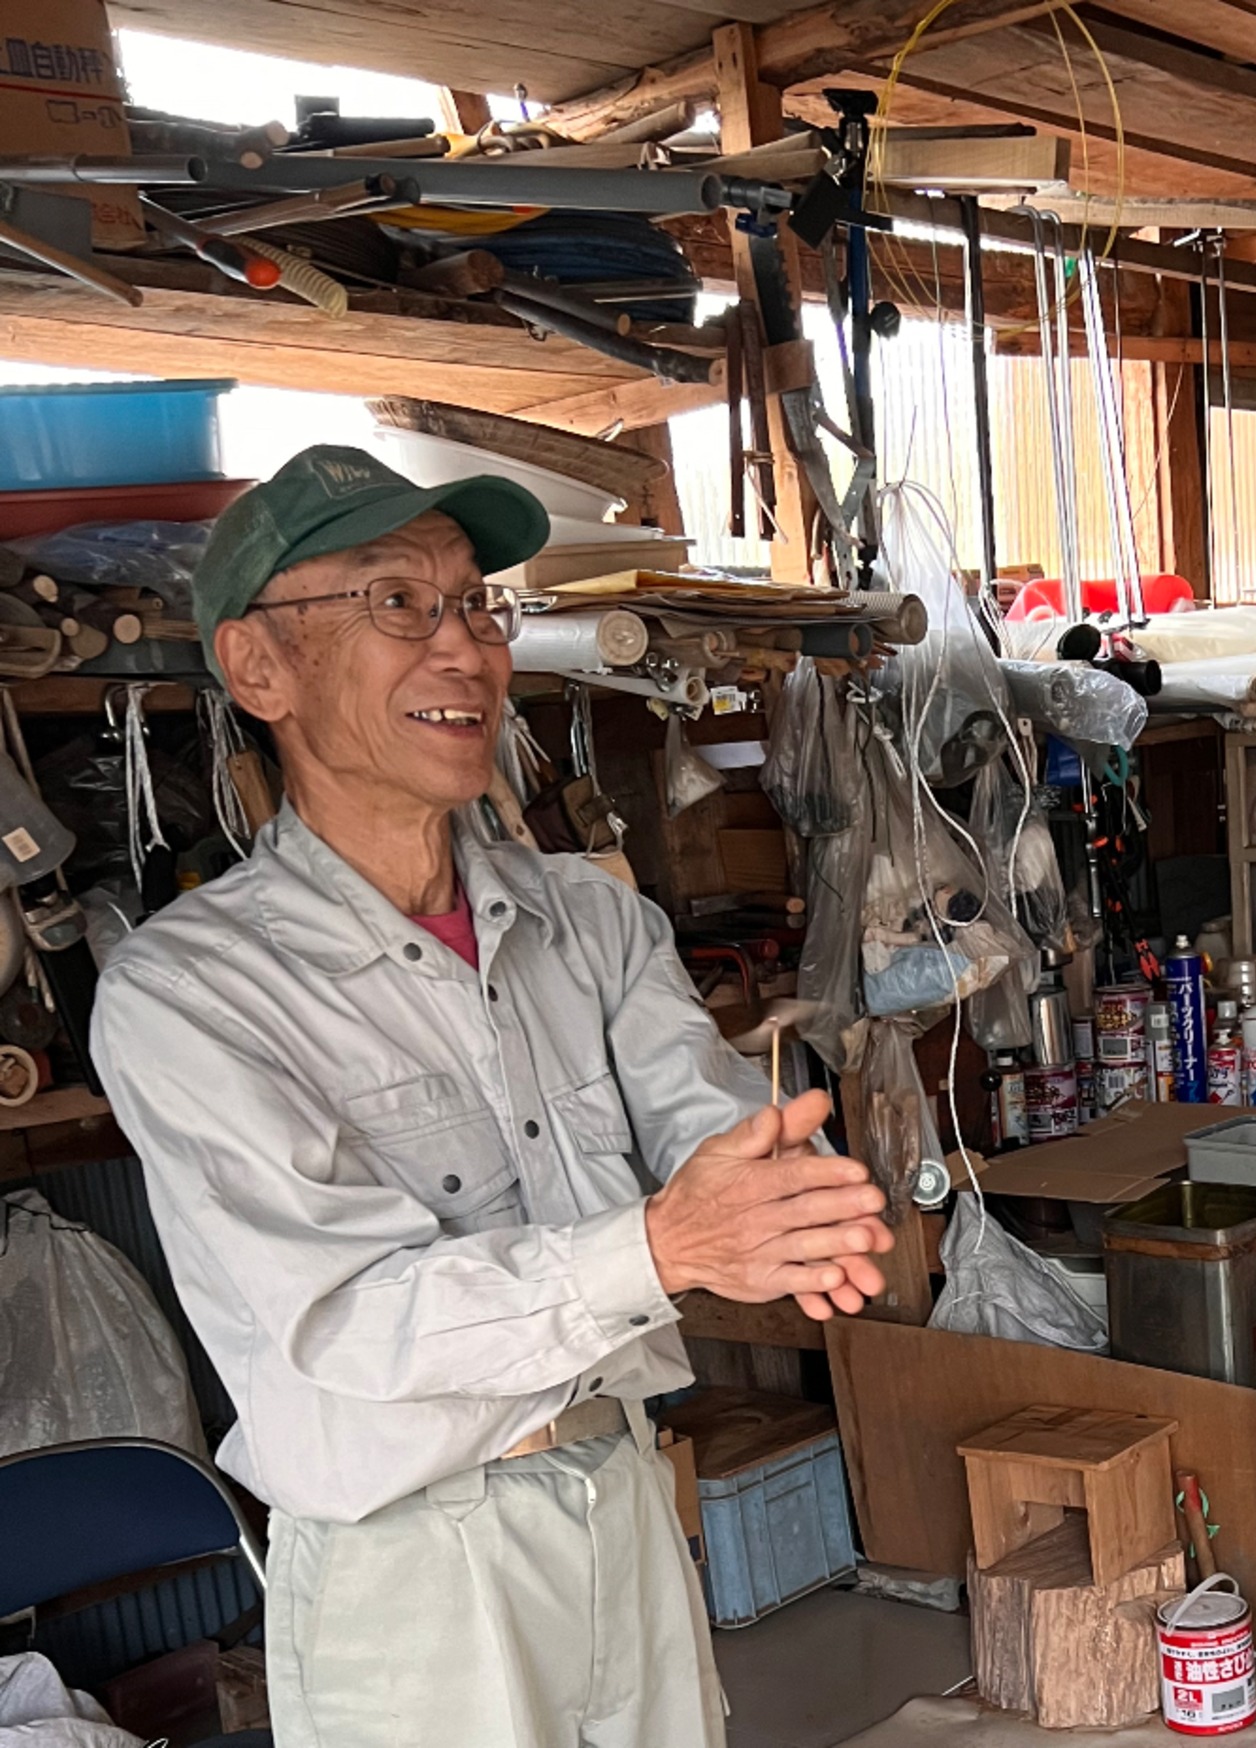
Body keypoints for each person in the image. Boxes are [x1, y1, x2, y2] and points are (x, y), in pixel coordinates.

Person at [90, 445, 893, 1748]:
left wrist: (771, 1196)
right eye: (396, 603)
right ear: (258, 668)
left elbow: (695, 1117)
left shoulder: (588, 915)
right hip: (411, 1565)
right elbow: (349, 1316)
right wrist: (666, 1244)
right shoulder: (189, 993)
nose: (463, 648)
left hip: (620, 1488)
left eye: (475, 603)